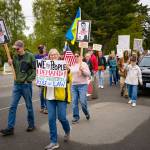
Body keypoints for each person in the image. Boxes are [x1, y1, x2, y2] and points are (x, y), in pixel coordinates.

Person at [0, 40, 36, 136]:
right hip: (16, 85)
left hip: (26, 85)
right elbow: (15, 69)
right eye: (15, 48)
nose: (16, 50)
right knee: (12, 106)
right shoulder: (15, 56)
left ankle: (31, 124)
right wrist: (10, 63)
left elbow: (35, 70)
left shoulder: (30, 56)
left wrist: (29, 80)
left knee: (29, 106)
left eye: (17, 48)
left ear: (22, 47)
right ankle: (10, 128)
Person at [44, 48, 71, 150]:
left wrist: (68, 71)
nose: (53, 56)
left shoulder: (64, 66)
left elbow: (69, 80)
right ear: (49, 57)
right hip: (49, 97)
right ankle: (54, 141)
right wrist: (39, 81)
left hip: (60, 96)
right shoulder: (45, 66)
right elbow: (41, 81)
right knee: (51, 119)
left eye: (55, 54)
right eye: (51, 55)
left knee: (62, 117)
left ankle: (67, 130)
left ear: (59, 56)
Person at [70, 52, 91, 124]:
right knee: (74, 102)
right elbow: (69, 73)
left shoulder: (84, 64)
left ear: (80, 56)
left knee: (82, 102)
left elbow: (88, 74)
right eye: (74, 56)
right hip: (74, 86)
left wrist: (82, 70)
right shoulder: (72, 65)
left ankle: (86, 113)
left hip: (82, 85)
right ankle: (76, 117)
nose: (76, 57)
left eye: (77, 56)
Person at [35, 45, 48, 114]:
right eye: (39, 48)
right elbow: (34, 66)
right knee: (41, 94)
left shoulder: (48, 56)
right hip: (40, 78)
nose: (40, 49)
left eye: (41, 48)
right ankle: (42, 107)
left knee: (45, 93)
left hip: (47, 77)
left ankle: (46, 108)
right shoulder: (36, 56)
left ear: (45, 49)